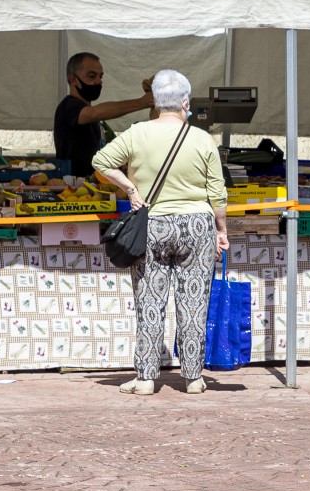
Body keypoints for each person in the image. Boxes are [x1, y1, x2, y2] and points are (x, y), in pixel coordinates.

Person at [92, 70, 229, 396]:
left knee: (149, 302)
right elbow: (218, 193)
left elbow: (100, 161)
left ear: (154, 102)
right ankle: (193, 378)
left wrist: (130, 189)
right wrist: (221, 230)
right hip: (197, 225)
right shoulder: (202, 139)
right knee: (194, 302)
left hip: (152, 224)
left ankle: (145, 379)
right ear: (186, 103)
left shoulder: (137, 133)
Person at [55, 52, 155, 173]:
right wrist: (141, 102)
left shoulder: (91, 118)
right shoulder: (68, 106)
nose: (99, 81)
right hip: (71, 183)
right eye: (92, 76)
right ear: (73, 79)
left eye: (100, 76)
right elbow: (94, 113)